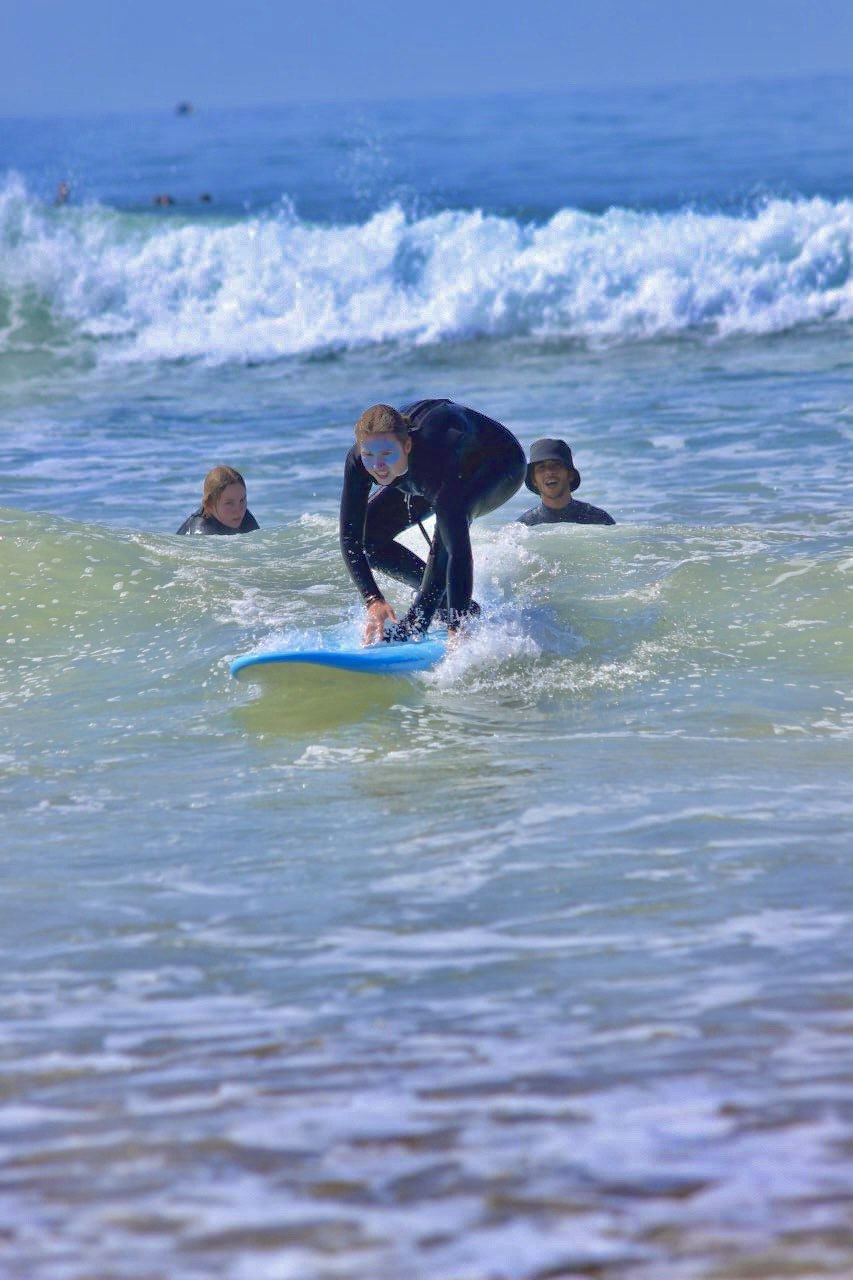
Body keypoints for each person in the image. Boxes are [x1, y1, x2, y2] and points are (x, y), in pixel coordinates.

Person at [340, 399, 526, 643]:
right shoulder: (359, 461)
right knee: (369, 536)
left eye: (387, 454)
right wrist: (373, 600)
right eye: (368, 455)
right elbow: (350, 537)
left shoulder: (432, 461)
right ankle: (447, 607)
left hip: (499, 463)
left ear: (407, 445)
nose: (378, 466)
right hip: (438, 464)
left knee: (447, 530)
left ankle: (430, 621)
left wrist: (458, 628)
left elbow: (457, 550)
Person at [517, 438, 615, 526]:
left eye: (556, 465)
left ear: (570, 475)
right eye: (541, 467)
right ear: (534, 480)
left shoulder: (599, 520)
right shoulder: (525, 527)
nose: (549, 472)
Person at [176, 466, 260, 536]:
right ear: (209, 505)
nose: (238, 510)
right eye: (229, 503)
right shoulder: (201, 535)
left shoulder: (244, 517)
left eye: (242, 500)